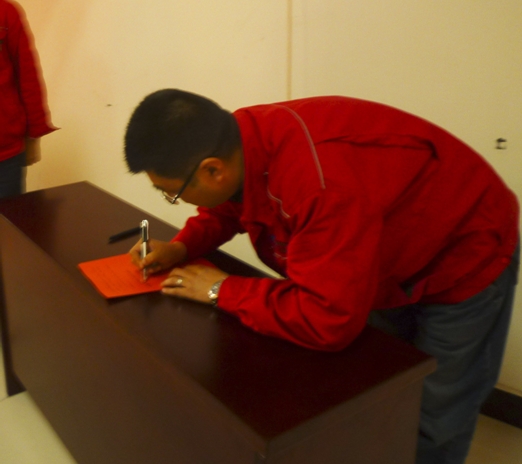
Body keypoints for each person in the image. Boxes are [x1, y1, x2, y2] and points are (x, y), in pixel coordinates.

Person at [124, 89, 519, 464]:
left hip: (463, 252)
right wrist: (182, 247)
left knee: (436, 414)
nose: (175, 201)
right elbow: (231, 204)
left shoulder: (319, 184)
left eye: (172, 193)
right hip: (380, 253)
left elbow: (327, 318)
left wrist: (220, 289)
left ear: (212, 170)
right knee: (379, 384)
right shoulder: (237, 141)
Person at [0, 0, 56, 198]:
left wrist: (34, 134)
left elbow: (27, 76)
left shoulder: (6, 12)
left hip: (6, 155)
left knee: (10, 218)